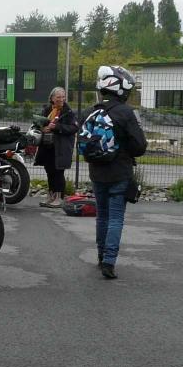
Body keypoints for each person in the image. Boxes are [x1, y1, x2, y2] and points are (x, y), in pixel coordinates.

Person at [84, 66, 147, 279]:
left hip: (96, 172)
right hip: (119, 172)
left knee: (102, 215)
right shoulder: (126, 113)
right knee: (116, 218)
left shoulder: (91, 111)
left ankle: (101, 255)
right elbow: (140, 146)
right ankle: (109, 262)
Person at [35, 86, 78, 208]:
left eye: (63, 97)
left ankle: (59, 198)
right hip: (47, 145)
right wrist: (42, 128)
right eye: (58, 97)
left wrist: (57, 127)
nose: (61, 99)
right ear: (52, 98)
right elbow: (40, 124)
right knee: (49, 171)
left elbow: (74, 128)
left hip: (61, 147)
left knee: (58, 172)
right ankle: (51, 196)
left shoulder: (68, 112)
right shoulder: (47, 110)